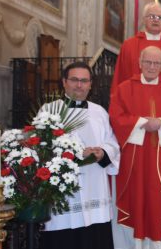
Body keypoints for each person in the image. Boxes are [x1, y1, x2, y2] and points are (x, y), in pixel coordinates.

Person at [40, 62, 120, 249]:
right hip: (65, 193)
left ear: (90, 84)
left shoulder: (99, 112)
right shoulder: (49, 111)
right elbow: (43, 148)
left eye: (84, 81)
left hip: (95, 187)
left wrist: (103, 152)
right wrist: (77, 152)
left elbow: (113, 142)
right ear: (64, 82)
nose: (79, 85)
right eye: (74, 80)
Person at [109, 46, 161, 248]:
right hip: (134, 157)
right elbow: (116, 117)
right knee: (135, 198)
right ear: (139, 63)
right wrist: (141, 122)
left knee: (158, 199)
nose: (151, 66)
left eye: (156, 63)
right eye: (147, 62)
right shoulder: (124, 88)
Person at [111, 2, 161, 93]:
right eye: (151, 16)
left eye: (160, 17)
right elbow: (120, 75)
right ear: (144, 19)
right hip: (134, 98)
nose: (156, 20)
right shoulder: (129, 45)